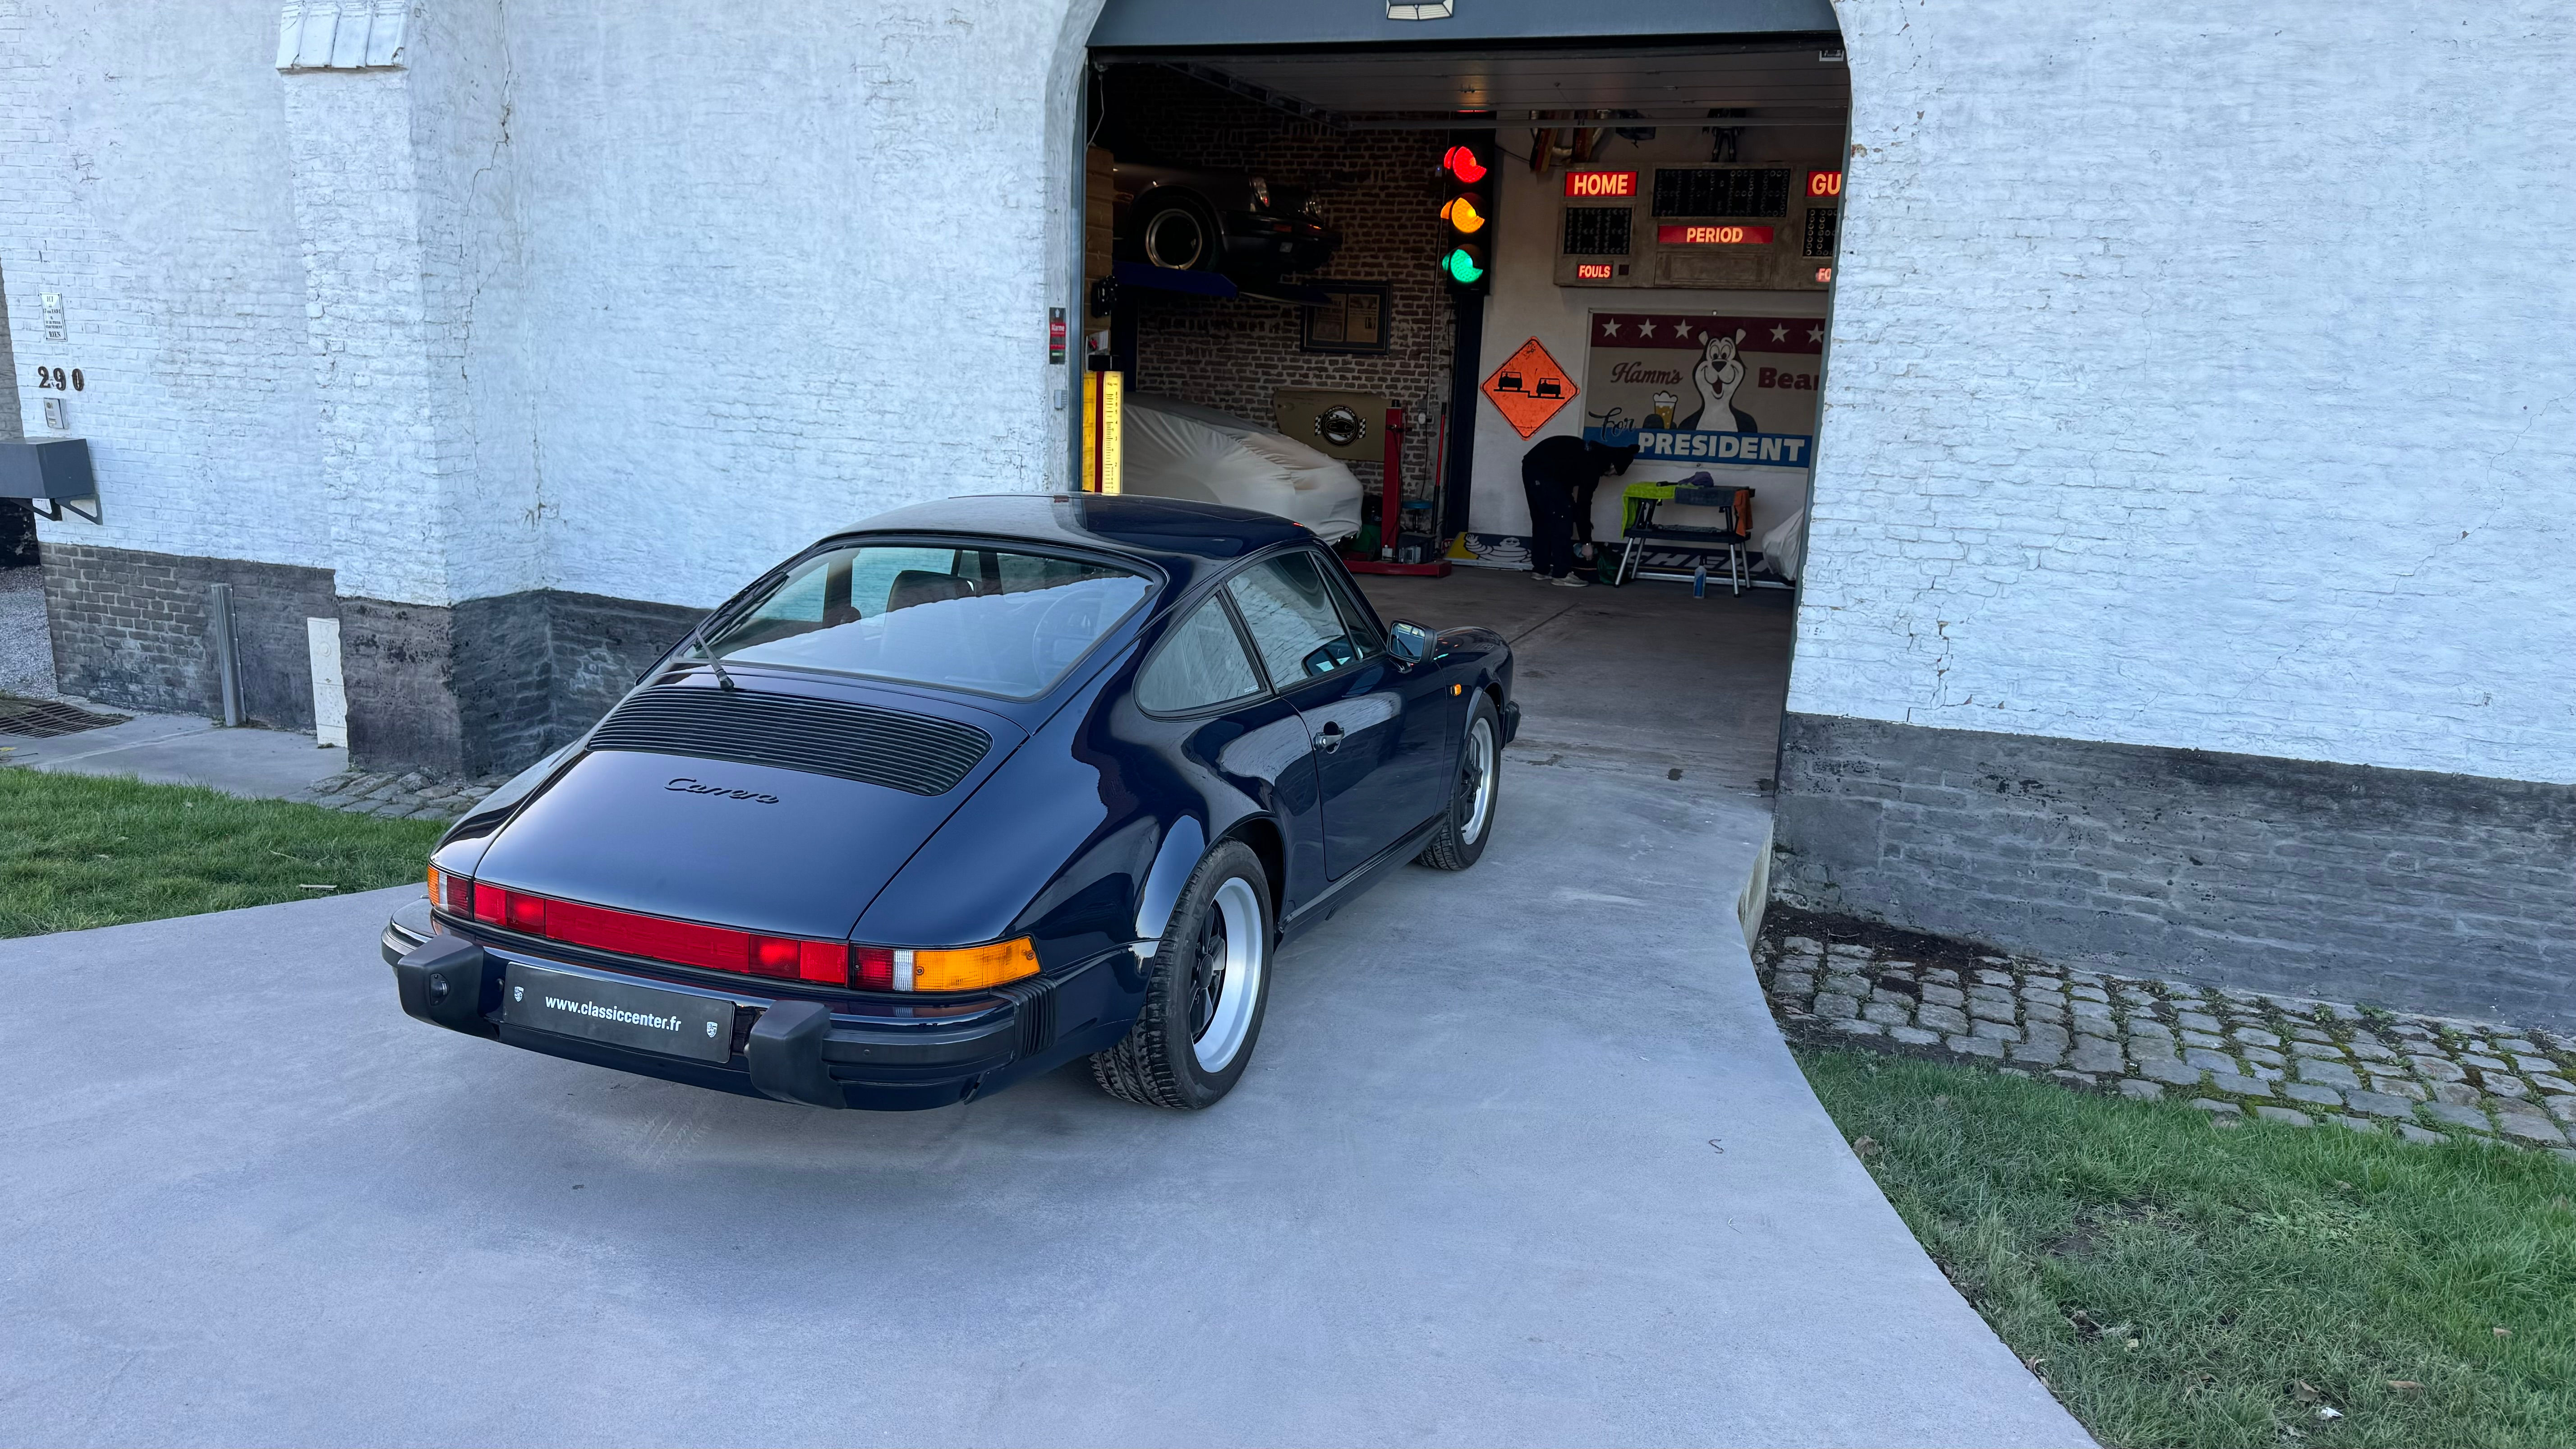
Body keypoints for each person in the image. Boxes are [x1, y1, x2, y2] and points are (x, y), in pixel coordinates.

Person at [1518, 435, 1638, 586]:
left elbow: (1566, 491)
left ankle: (1540, 570)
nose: (1611, 476)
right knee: (1563, 521)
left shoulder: (1587, 454)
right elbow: (1584, 504)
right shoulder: (1593, 466)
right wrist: (1587, 542)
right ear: (1613, 464)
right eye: (1615, 473)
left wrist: (1579, 517)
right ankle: (1561, 575)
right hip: (1545, 472)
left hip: (1531, 467)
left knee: (1542, 520)